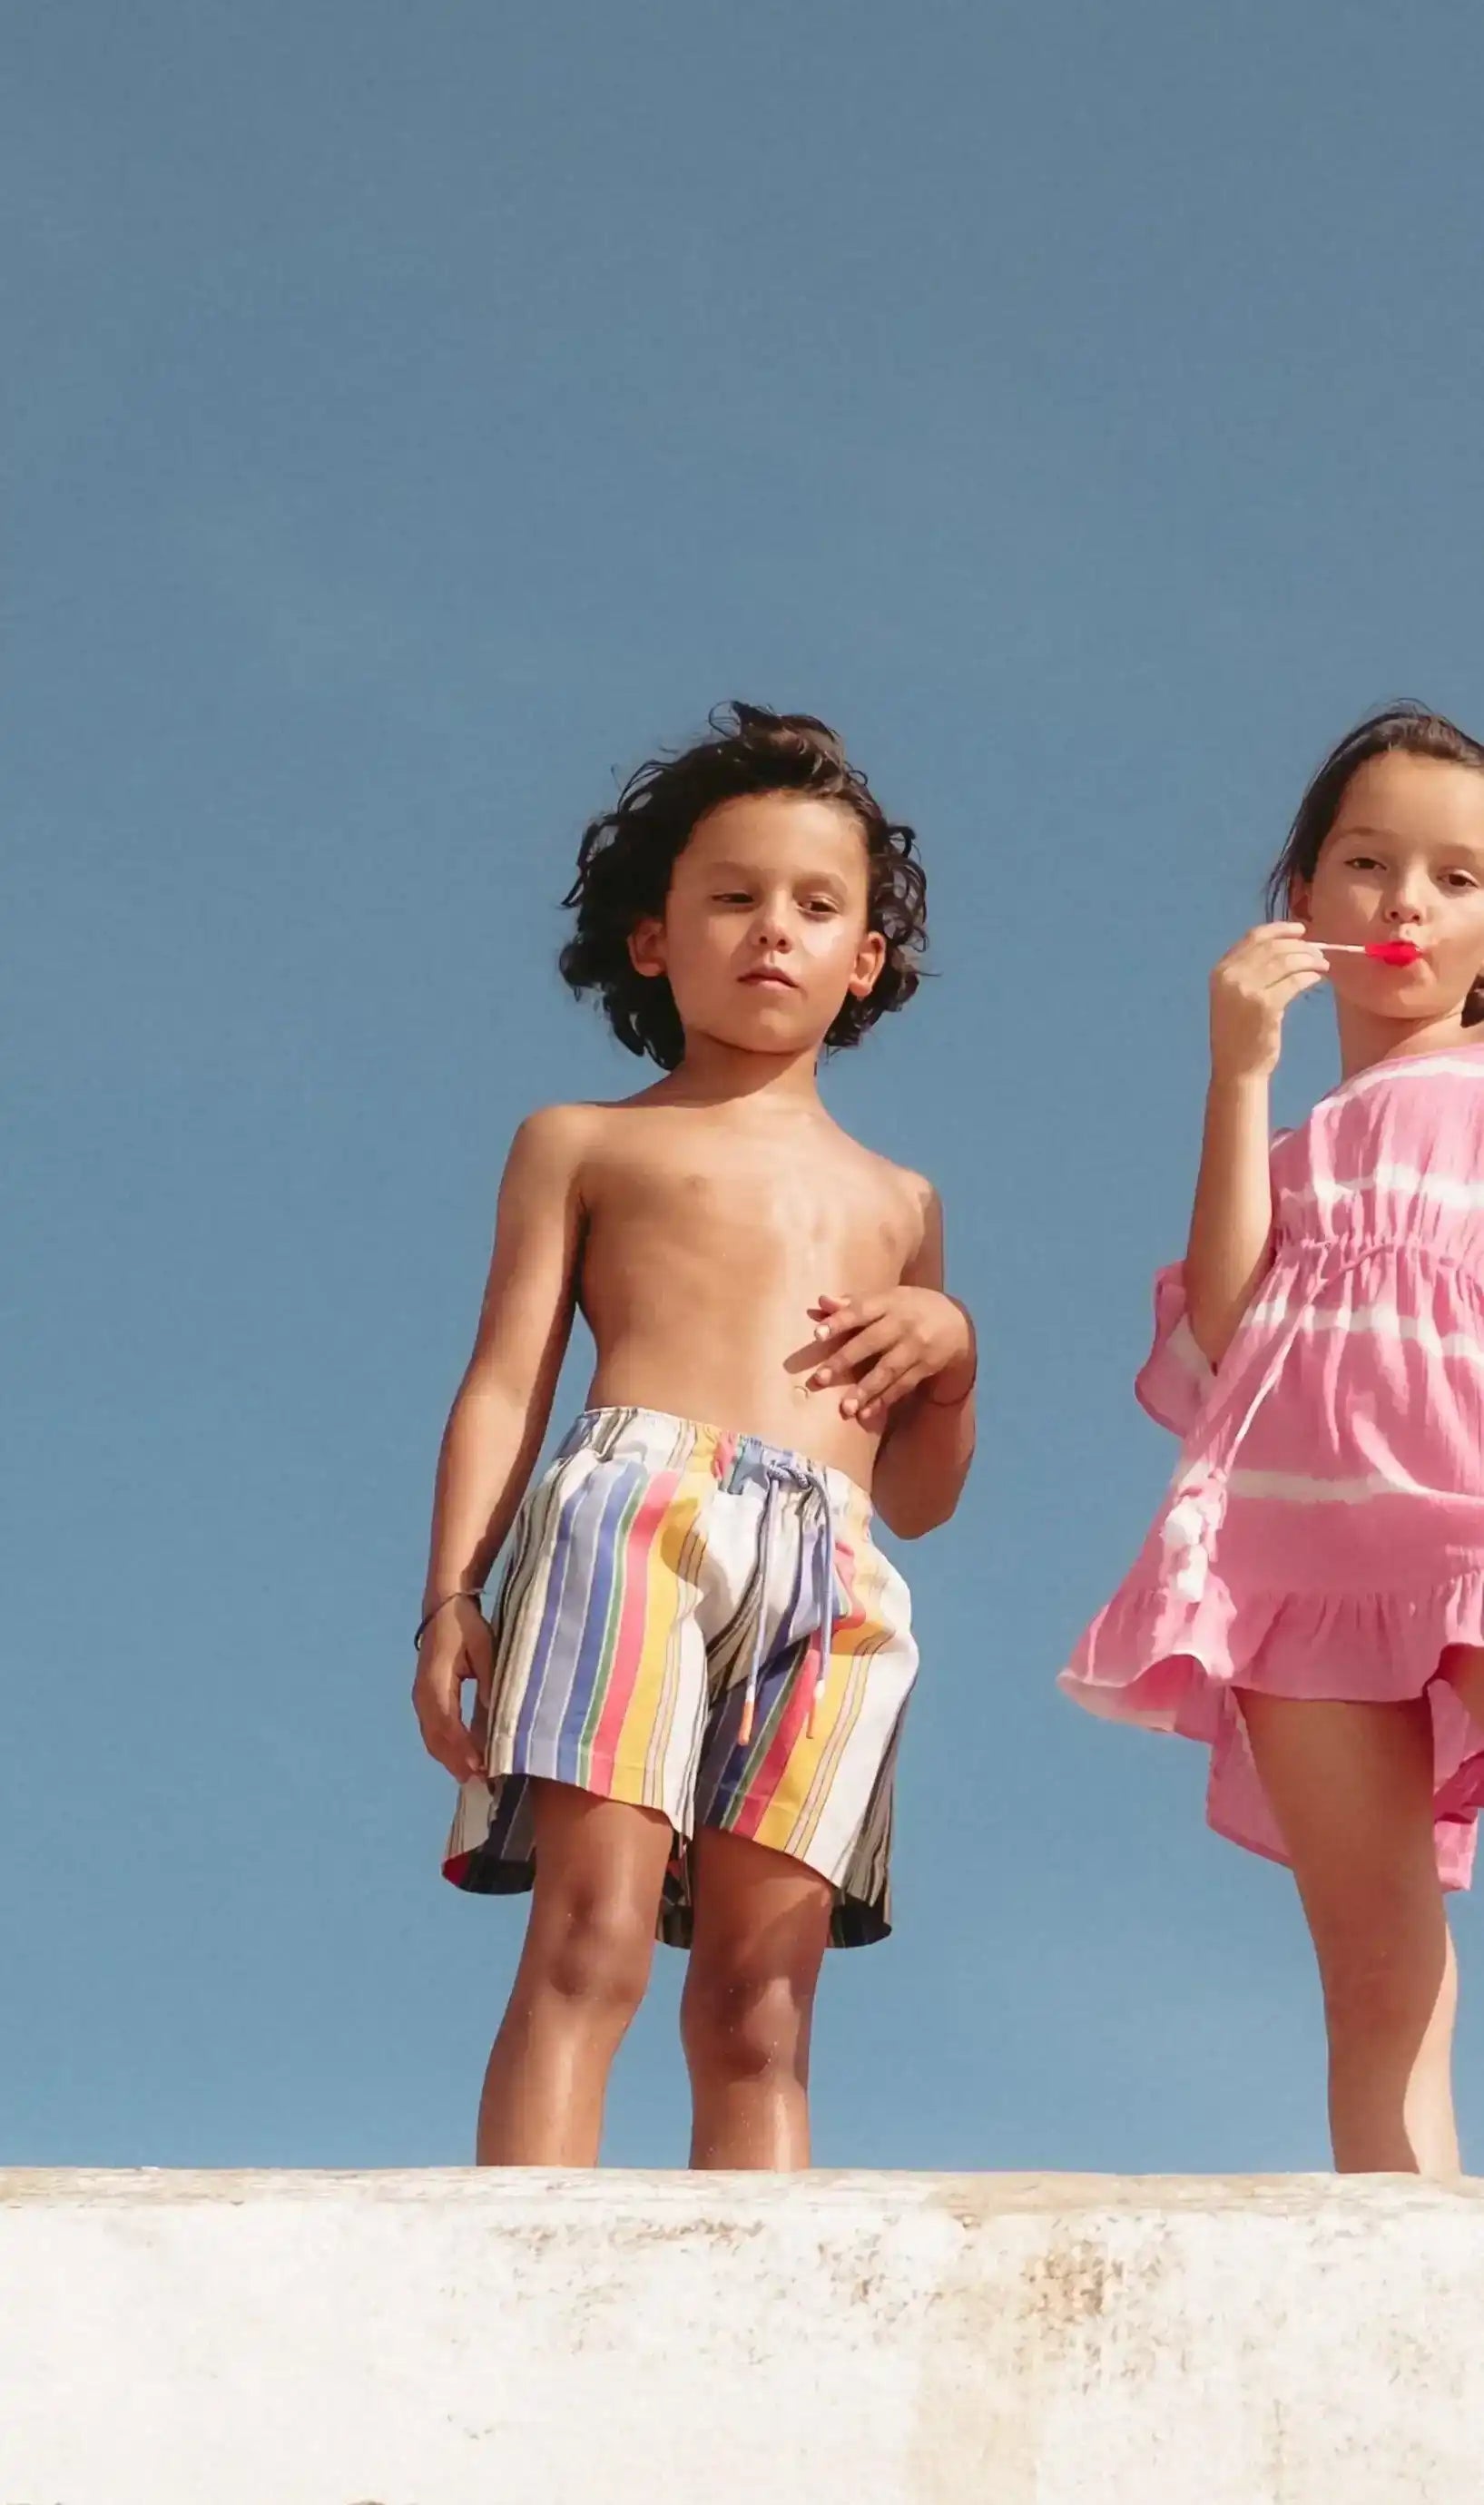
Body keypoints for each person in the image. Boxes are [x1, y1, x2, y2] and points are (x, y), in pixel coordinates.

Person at [413, 703, 976, 2168]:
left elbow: (916, 1495)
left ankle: (758, 2340)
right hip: (631, 1521)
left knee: (762, 2003)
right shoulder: (584, 1141)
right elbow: (503, 1383)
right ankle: (527, 2287)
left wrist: (955, 1362)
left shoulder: (904, 1200)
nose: (770, 931)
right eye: (731, 897)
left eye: (814, 906)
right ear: (653, 936)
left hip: (836, 1575)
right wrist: (448, 1598)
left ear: (865, 961)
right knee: (589, 1937)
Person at [1062, 702, 1484, 2177]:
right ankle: (1419, 2297)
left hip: (1468, 1522)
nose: (1406, 904)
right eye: (1366, 864)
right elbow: (1229, 1332)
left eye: (1457, 877)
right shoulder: (1291, 1148)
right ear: (1302, 896)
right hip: (1300, 1563)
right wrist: (1240, 1071)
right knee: (1380, 1973)